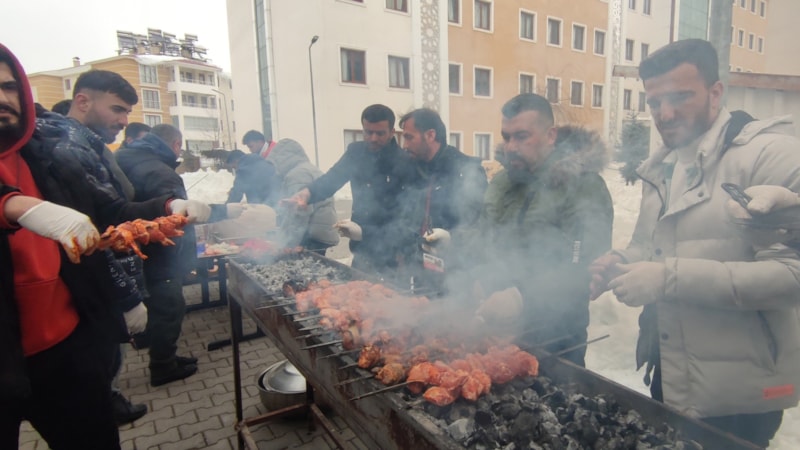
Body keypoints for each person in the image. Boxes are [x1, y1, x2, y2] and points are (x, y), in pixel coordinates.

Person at [588, 39, 800, 448]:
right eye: (654, 102)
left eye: (680, 97)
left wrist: (667, 278)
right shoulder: (663, 166)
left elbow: (793, 277)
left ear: (715, 92)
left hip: (740, 394)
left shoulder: (770, 155)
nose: (664, 114)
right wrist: (621, 260)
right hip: (672, 374)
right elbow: (651, 247)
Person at [0, 43, 178, 450]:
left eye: (9, 87)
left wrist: (170, 208)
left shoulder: (45, 154)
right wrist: (12, 205)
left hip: (66, 348)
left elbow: (109, 211)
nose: (2, 98)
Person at [464, 94, 612, 366]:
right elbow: (484, 236)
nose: (511, 147)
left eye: (522, 136)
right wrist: (477, 273)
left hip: (555, 340)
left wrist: (521, 297)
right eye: (506, 137)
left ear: (550, 135)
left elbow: (583, 266)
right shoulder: (502, 182)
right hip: (498, 334)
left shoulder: (583, 186)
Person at [284, 104, 416, 278]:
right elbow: (332, 178)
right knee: (357, 291)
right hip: (361, 248)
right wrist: (306, 194)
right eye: (368, 132)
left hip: (393, 251)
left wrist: (401, 251)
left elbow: (407, 216)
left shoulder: (404, 161)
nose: (373, 138)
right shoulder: (356, 153)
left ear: (392, 132)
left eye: (380, 133)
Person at [115, 124, 202, 386]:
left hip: (138, 250)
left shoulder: (130, 158)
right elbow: (178, 218)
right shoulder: (160, 171)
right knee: (170, 307)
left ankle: (164, 354)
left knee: (157, 304)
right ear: (176, 144)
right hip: (160, 252)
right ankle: (163, 366)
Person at [398, 108, 487, 293]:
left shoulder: (465, 170)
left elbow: (480, 225)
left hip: (457, 273)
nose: (404, 145)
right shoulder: (411, 168)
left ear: (430, 135)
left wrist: (451, 237)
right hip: (422, 269)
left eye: (409, 137)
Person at [265, 138, 339, 253]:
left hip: (312, 234)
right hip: (321, 230)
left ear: (281, 160)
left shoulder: (297, 174)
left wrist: (289, 244)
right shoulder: (306, 168)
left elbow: (300, 212)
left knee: (307, 264)